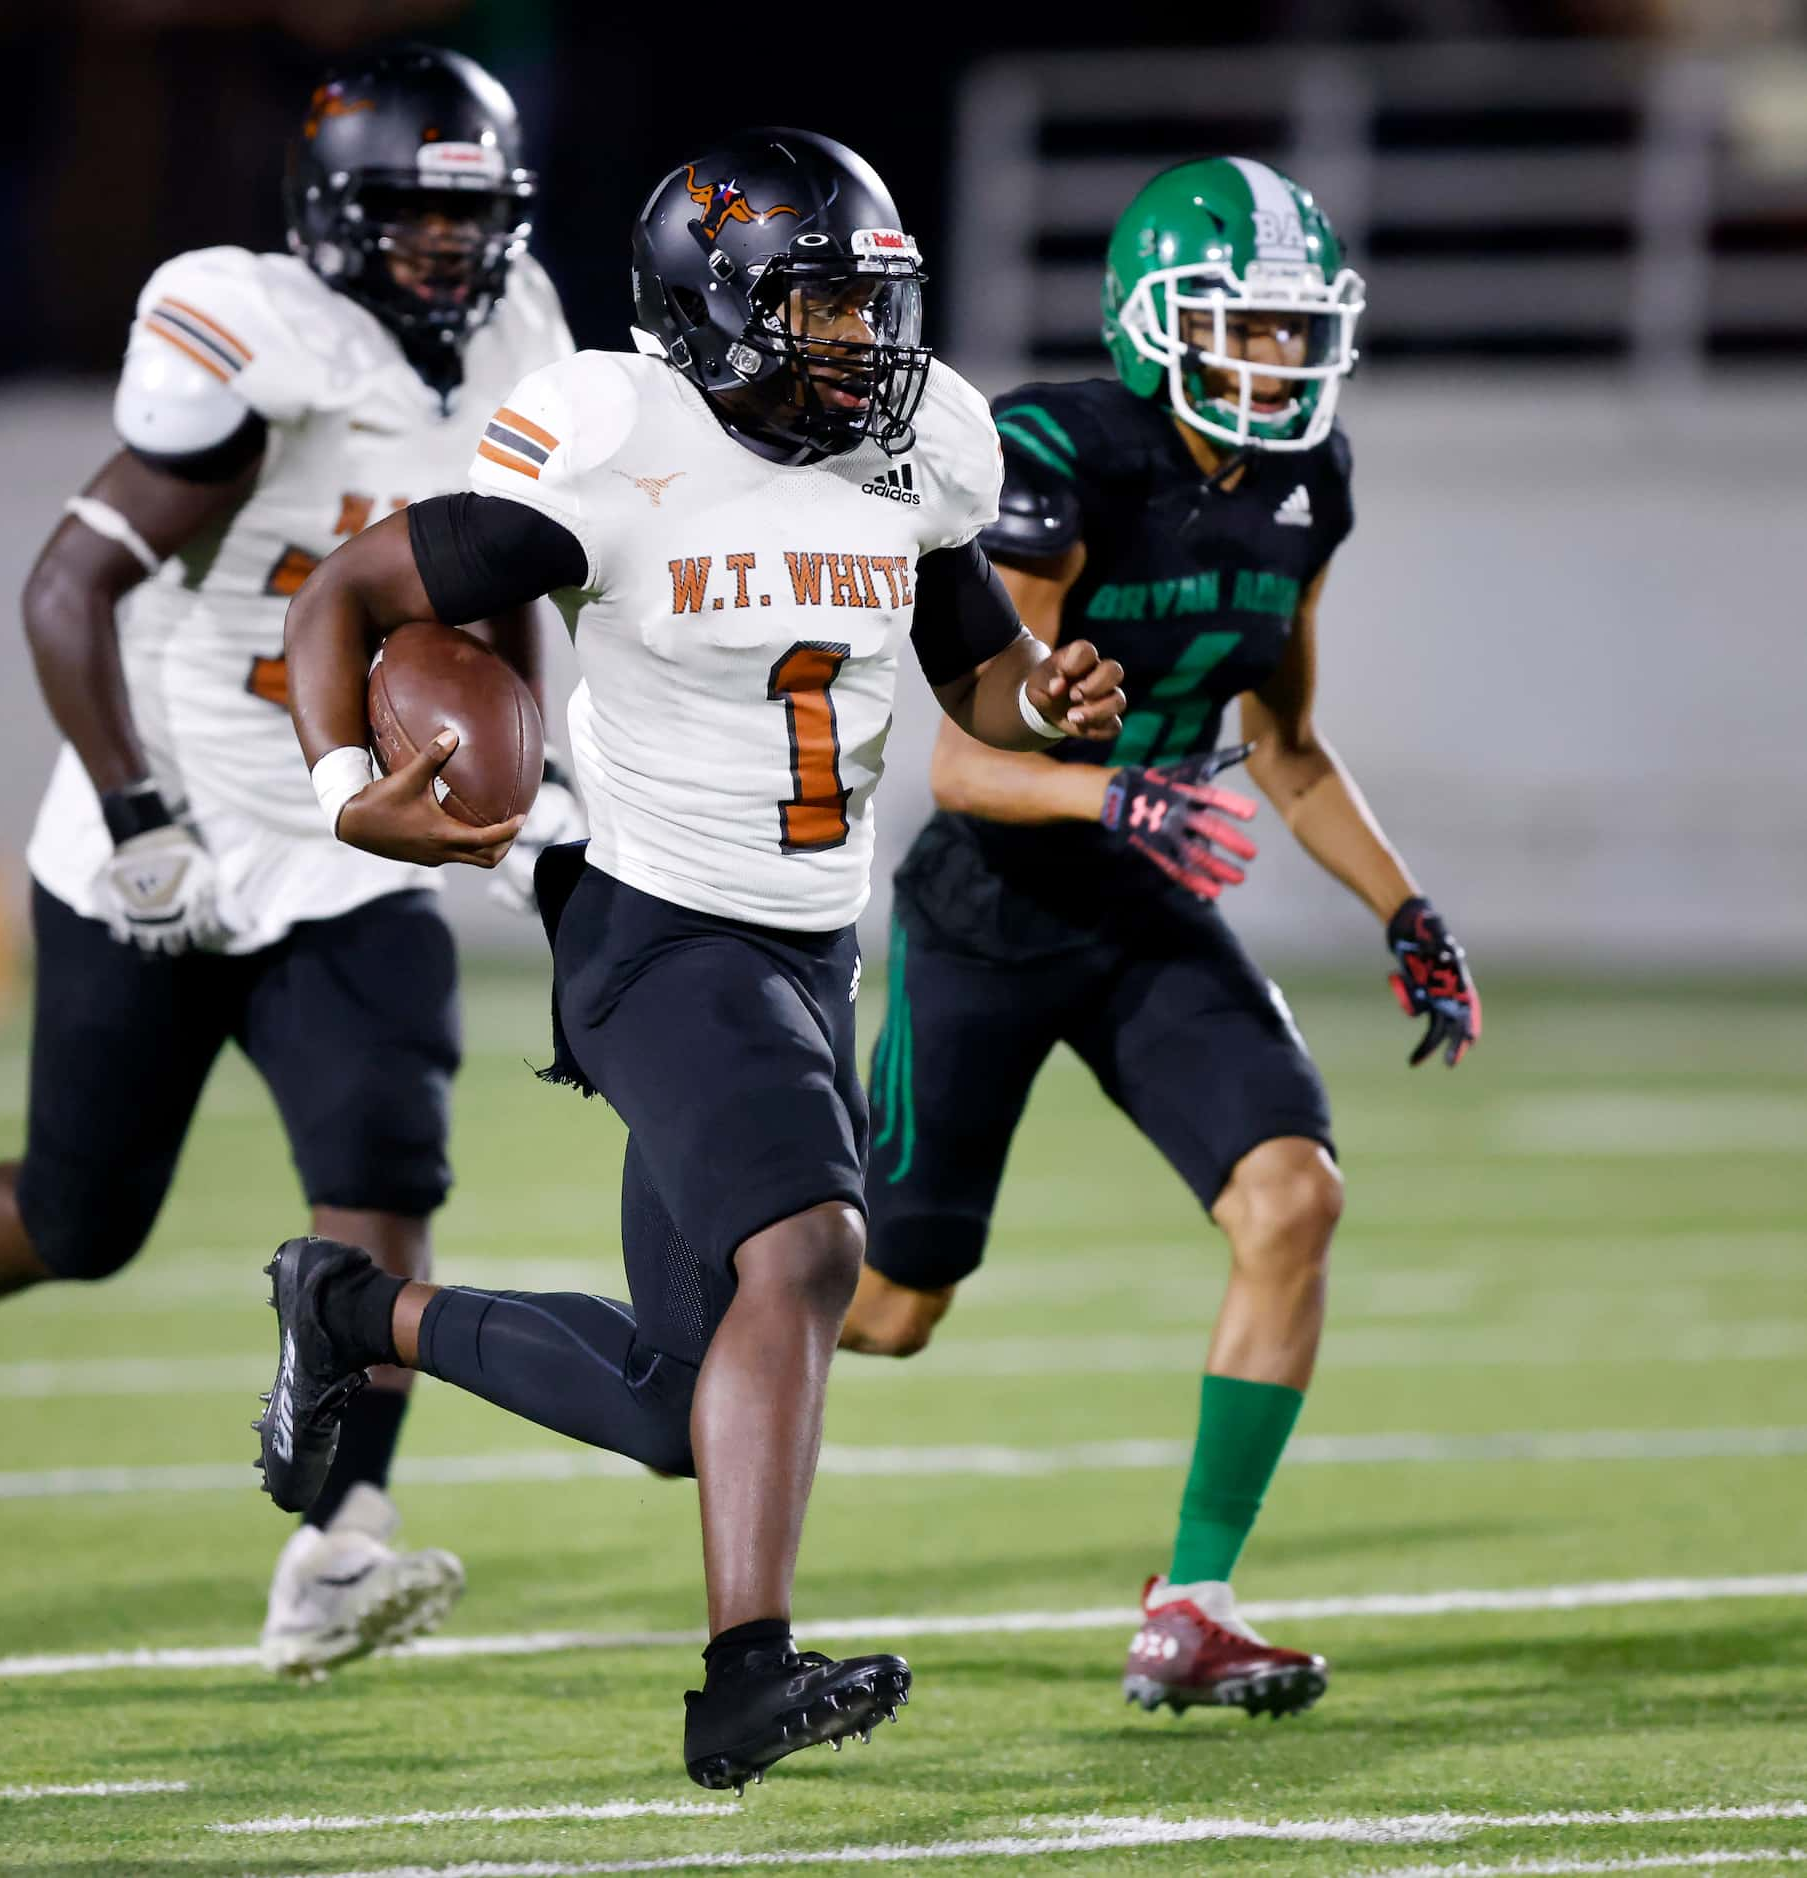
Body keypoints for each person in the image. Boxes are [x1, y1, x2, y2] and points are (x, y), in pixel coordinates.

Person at [248, 127, 1125, 1789]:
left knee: (674, 1397)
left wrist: (1047, 702)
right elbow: (342, 598)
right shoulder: (614, 442)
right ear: (712, 312)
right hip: (653, 924)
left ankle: (354, 1309)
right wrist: (345, 795)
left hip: (811, 946)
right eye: (820, 311)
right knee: (807, 1248)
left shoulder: (917, 447)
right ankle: (743, 1679)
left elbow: (977, 675)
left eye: (875, 309)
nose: (866, 345)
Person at [0, 40, 581, 1681]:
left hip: (349, 832)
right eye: (411, 219)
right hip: (162, 820)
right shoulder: (261, 346)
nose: (450, 255)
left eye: (472, 221)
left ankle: (337, 1548)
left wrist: (544, 763)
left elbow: (506, 565)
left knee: (389, 1167)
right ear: (329, 218)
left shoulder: (521, 337)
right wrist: (134, 814)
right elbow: (62, 592)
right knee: (84, 1218)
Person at [837, 156, 1482, 1719]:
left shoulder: (1309, 478)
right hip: (993, 900)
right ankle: (662, 1321)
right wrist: (1112, 791)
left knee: (1290, 1197)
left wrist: (1400, 905)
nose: (1273, 363)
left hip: (1144, 897)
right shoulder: (1058, 452)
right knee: (885, 1308)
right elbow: (962, 758)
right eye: (1241, 328)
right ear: (1155, 320)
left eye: (1289, 333)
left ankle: (1192, 1601)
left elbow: (1288, 747)